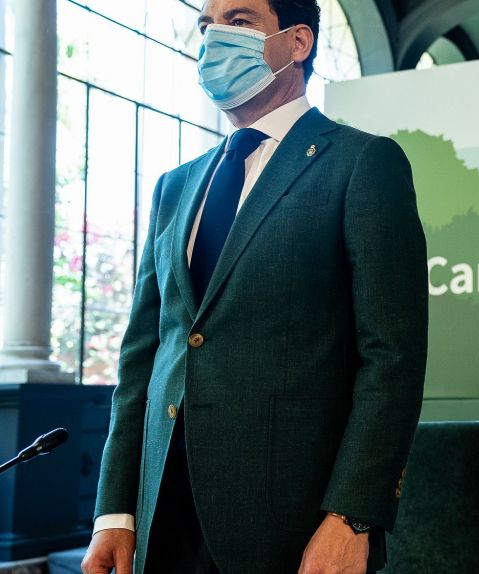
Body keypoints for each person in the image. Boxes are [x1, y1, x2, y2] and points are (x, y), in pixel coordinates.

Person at [81, 0, 428, 572]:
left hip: (292, 520)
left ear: (298, 42)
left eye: (239, 22)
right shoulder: (175, 186)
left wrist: (354, 516)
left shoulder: (363, 163)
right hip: (161, 514)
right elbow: (143, 356)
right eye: (206, 26)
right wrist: (115, 511)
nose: (213, 39)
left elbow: (392, 357)